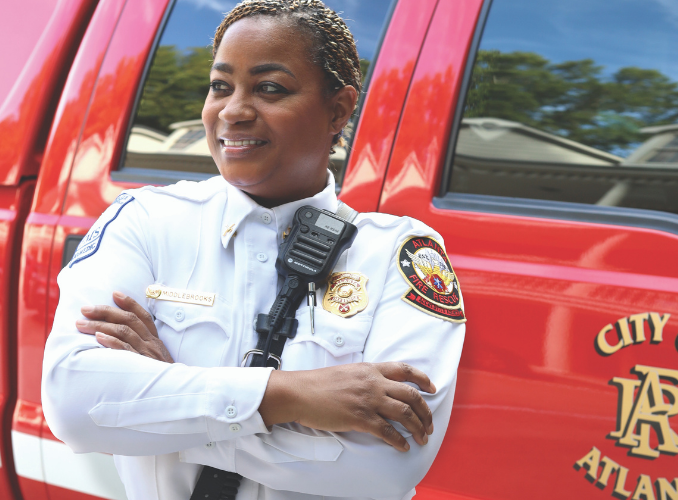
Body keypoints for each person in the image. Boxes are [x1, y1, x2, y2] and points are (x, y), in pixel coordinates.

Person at [41, 1, 466, 499]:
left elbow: (385, 465)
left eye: (270, 88)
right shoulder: (147, 220)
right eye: (221, 86)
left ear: (339, 109)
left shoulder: (402, 254)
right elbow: (73, 404)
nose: (234, 110)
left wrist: (167, 400)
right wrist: (289, 396)